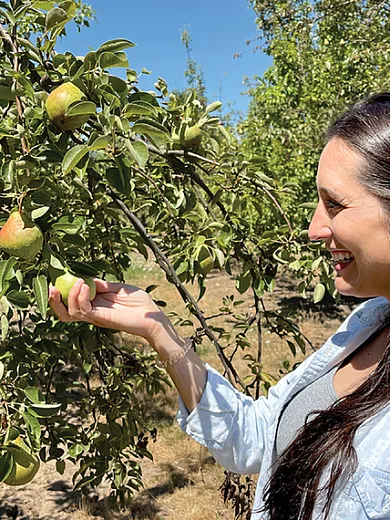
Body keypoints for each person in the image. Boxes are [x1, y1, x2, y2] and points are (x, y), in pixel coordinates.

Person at [49, 92, 390, 520]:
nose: (313, 228)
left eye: (335, 204)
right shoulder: (368, 324)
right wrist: (158, 328)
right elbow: (254, 438)